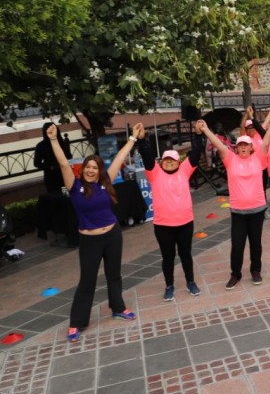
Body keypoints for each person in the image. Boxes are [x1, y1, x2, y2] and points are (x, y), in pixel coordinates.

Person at [48, 123, 142, 343]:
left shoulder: (104, 182)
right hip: (89, 240)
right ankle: (77, 322)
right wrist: (53, 140)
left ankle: (118, 307)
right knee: (87, 282)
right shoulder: (74, 186)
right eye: (88, 167)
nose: (91, 170)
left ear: (99, 171)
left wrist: (133, 138)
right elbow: (63, 163)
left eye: (95, 167)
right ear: (82, 170)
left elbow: (119, 158)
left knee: (114, 274)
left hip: (112, 235)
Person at [198, 114, 270, 290]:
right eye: (240, 145)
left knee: (256, 243)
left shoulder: (259, 158)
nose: (243, 147)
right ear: (236, 148)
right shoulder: (230, 159)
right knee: (237, 245)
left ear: (251, 147)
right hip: (238, 211)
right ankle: (235, 274)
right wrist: (205, 129)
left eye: (246, 144)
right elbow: (217, 144)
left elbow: (267, 141)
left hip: (257, 210)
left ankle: (256, 270)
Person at [136, 123, 203, 301]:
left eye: (173, 160)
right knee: (168, 257)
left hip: (185, 223)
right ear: (162, 162)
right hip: (163, 225)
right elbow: (147, 156)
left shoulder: (184, 170)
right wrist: (142, 139)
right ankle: (169, 285)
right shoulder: (154, 173)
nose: (170, 162)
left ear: (178, 162)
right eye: (166, 160)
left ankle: (190, 282)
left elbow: (196, 154)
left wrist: (197, 135)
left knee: (185, 254)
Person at [34, 122, 73, 193]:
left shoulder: (62, 143)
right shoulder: (41, 146)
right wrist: (51, 167)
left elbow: (69, 156)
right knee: (55, 197)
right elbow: (37, 163)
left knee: (66, 196)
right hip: (51, 177)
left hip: (64, 176)